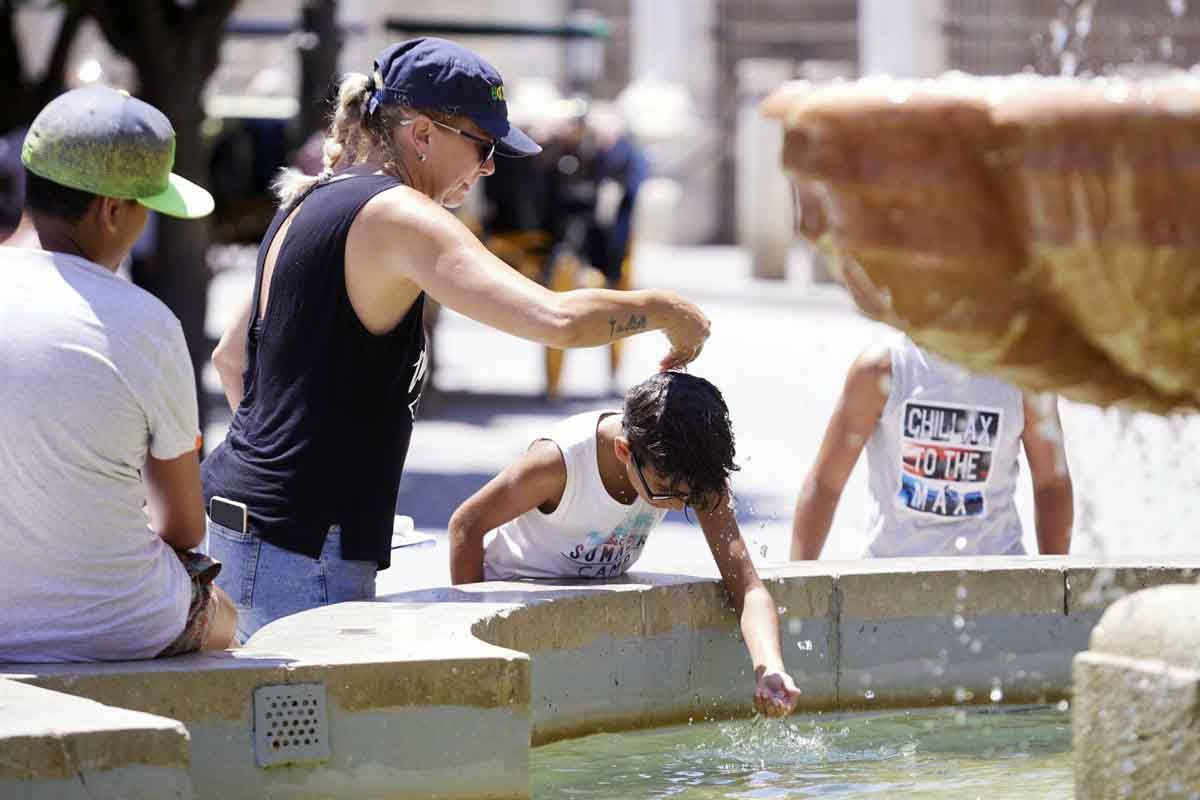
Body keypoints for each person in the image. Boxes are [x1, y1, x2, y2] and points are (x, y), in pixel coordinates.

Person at [203, 38, 710, 641]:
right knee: (320, 736)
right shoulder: (399, 216)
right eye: (484, 145)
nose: (491, 165)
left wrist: (290, 471)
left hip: (254, 528)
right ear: (422, 134)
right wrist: (664, 309)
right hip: (303, 546)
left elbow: (230, 357)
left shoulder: (312, 198)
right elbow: (554, 318)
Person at [0, 86, 237, 662]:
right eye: (145, 210)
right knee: (228, 618)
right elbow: (182, 527)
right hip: (120, 621)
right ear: (111, 209)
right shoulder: (144, 323)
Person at [449, 372, 801, 718]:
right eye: (666, 490)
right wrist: (478, 649)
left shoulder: (689, 472)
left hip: (585, 617)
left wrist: (769, 668)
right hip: (514, 595)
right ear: (624, 450)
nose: (680, 504)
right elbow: (466, 525)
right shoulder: (558, 465)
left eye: (689, 496)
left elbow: (748, 586)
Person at [790, 334, 1074, 560]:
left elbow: (1052, 484)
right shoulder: (883, 369)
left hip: (997, 574)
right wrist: (797, 589)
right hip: (891, 579)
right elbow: (825, 484)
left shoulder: (1023, 377)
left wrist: (1058, 591)